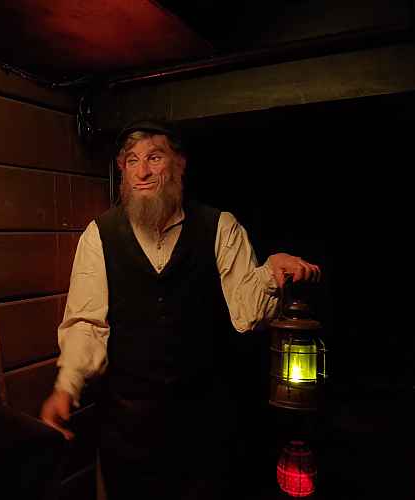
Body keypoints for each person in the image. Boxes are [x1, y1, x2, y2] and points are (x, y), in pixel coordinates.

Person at [40, 119, 320, 499]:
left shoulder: (220, 227)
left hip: (205, 429)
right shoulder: (99, 235)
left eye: (154, 157)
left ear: (179, 164)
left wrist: (270, 272)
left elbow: (246, 314)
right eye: (132, 160)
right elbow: (86, 324)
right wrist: (65, 388)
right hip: (128, 429)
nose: (142, 172)